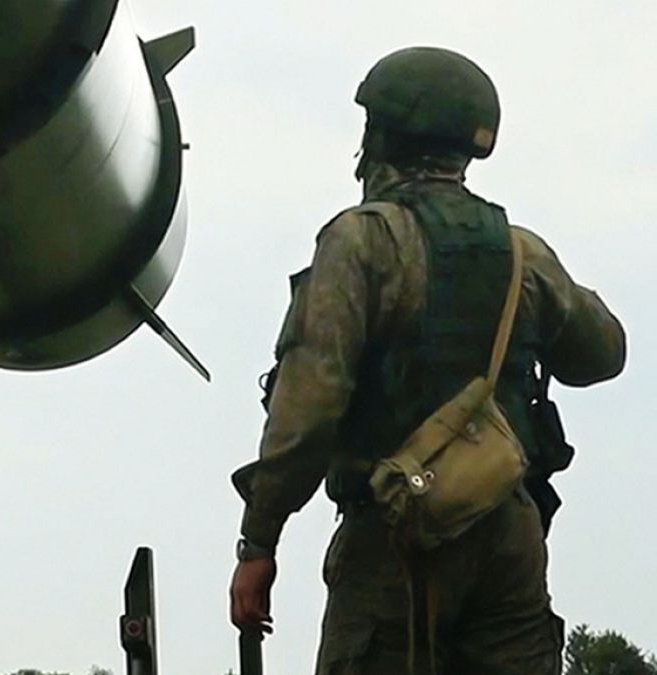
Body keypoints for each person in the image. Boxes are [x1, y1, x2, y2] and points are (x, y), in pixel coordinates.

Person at [228, 47, 626, 674]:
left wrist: (259, 541)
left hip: (395, 539)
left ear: (382, 137)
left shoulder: (362, 242)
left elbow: (309, 407)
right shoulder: (522, 253)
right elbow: (603, 354)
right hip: (507, 536)